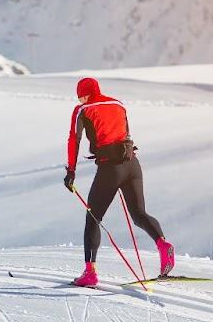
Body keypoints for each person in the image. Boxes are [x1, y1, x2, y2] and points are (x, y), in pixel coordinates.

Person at [63, 76, 175, 287]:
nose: (80, 102)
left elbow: (74, 139)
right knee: (139, 214)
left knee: (93, 219)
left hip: (110, 169)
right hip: (132, 164)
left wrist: (71, 171)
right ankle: (163, 244)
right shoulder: (118, 104)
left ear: (84, 94)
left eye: (80, 97)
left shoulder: (83, 109)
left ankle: (90, 273)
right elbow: (125, 132)